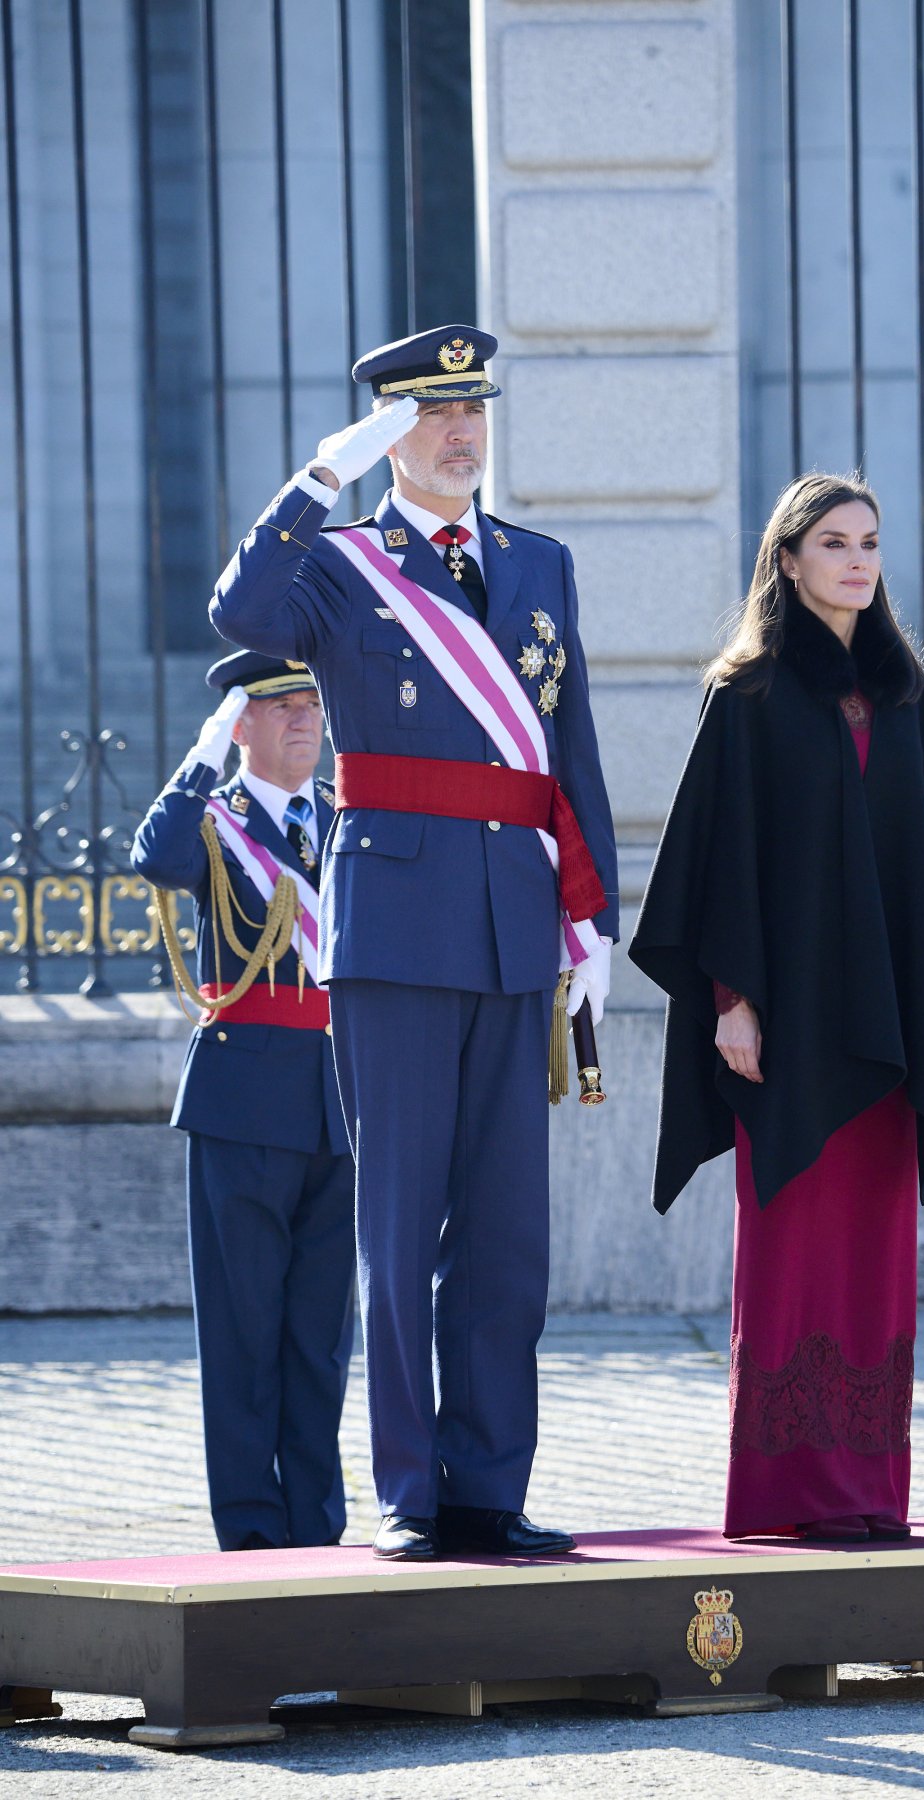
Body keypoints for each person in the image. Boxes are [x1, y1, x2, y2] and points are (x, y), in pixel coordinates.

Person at [208, 325, 618, 1562]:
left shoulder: (538, 562)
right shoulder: (339, 565)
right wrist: (319, 479)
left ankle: (490, 1484)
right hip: (392, 924)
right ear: (391, 432)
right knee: (398, 1223)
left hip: (511, 923)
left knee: (505, 1230)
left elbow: (570, 746)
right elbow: (240, 610)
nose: (459, 432)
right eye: (432, 415)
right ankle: (411, 1495)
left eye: (473, 410)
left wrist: (592, 915)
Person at [628, 473, 924, 1544]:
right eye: (833, 542)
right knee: (793, 1248)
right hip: (790, 1031)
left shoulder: (902, 695)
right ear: (787, 560)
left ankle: (867, 1494)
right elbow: (718, 869)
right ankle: (788, 1497)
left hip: (890, 1037)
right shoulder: (746, 694)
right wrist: (732, 1005)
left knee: (876, 1258)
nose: (856, 560)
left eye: (871, 543)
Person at [131, 652, 355, 1552]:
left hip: (341, 1098)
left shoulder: (350, 814)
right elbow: (155, 857)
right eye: (281, 708)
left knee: (319, 1338)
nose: (305, 720)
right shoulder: (214, 826)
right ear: (244, 726)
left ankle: (316, 1529)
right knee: (244, 1334)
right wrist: (203, 757)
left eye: (313, 704)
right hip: (244, 1099)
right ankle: (254, 1538)